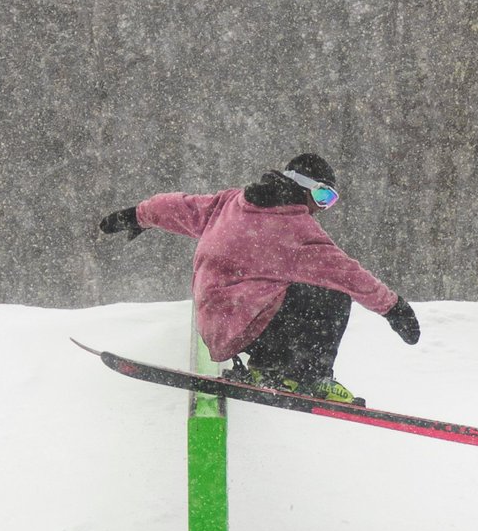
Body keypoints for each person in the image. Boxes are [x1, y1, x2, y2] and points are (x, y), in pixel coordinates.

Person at [99, 152, 420, 405]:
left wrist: (134, 215)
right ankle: (312, 375)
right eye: (323, 196)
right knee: (333, 294)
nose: (322, 208)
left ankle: (268, 366)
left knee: (282, 292)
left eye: (330, 200)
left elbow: (173, 206)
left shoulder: (229, 203)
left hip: (216, 324)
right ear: (302, 187)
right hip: (249, 324)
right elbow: (350, 276)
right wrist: (395, 309)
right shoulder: (299, 229)